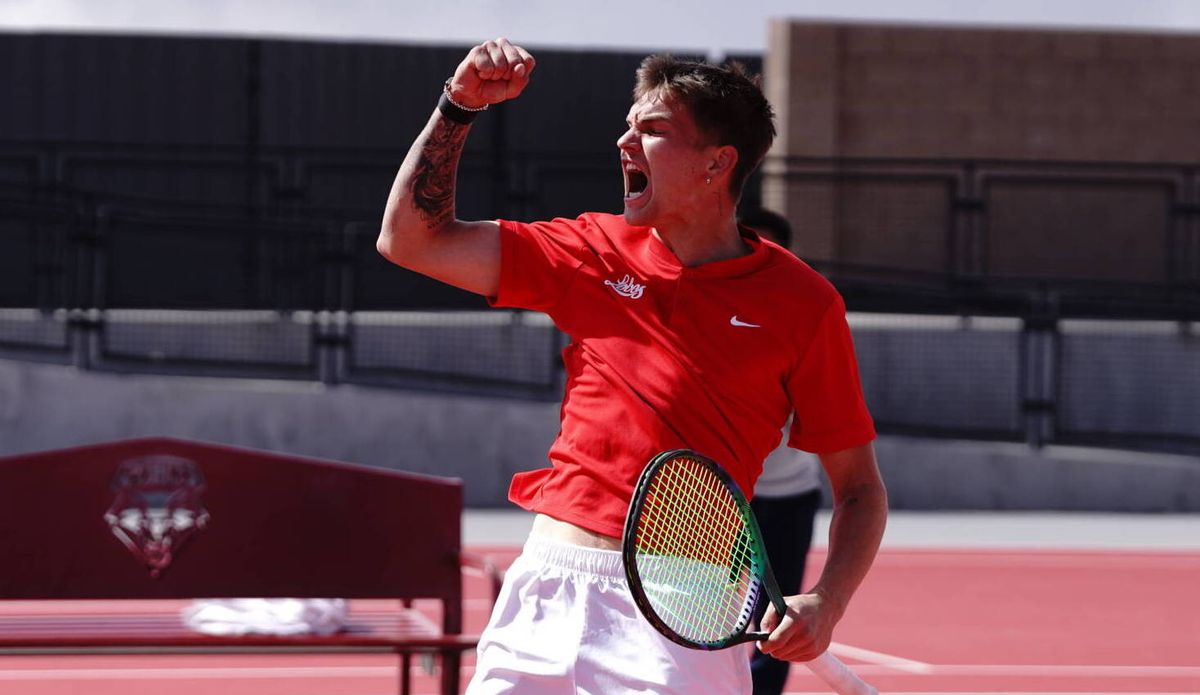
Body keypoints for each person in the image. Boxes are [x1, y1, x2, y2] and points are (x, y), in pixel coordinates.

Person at [377, 38, 887, 695]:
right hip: (548, 582)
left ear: (717, 164)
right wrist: (459, 104)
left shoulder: (803, 304)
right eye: (626, 125)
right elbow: (409, 240)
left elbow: (860, 488)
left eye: (651, 130)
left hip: (685, 602)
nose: (623, 142)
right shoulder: (588, 248)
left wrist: (829, 600)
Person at [738, 206, 826, 695]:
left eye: (771, 247)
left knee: (780, 617)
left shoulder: (809, 316)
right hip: (722, 498)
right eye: (749, 242)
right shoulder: (707, 312)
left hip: (790, 495)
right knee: (713, 615)